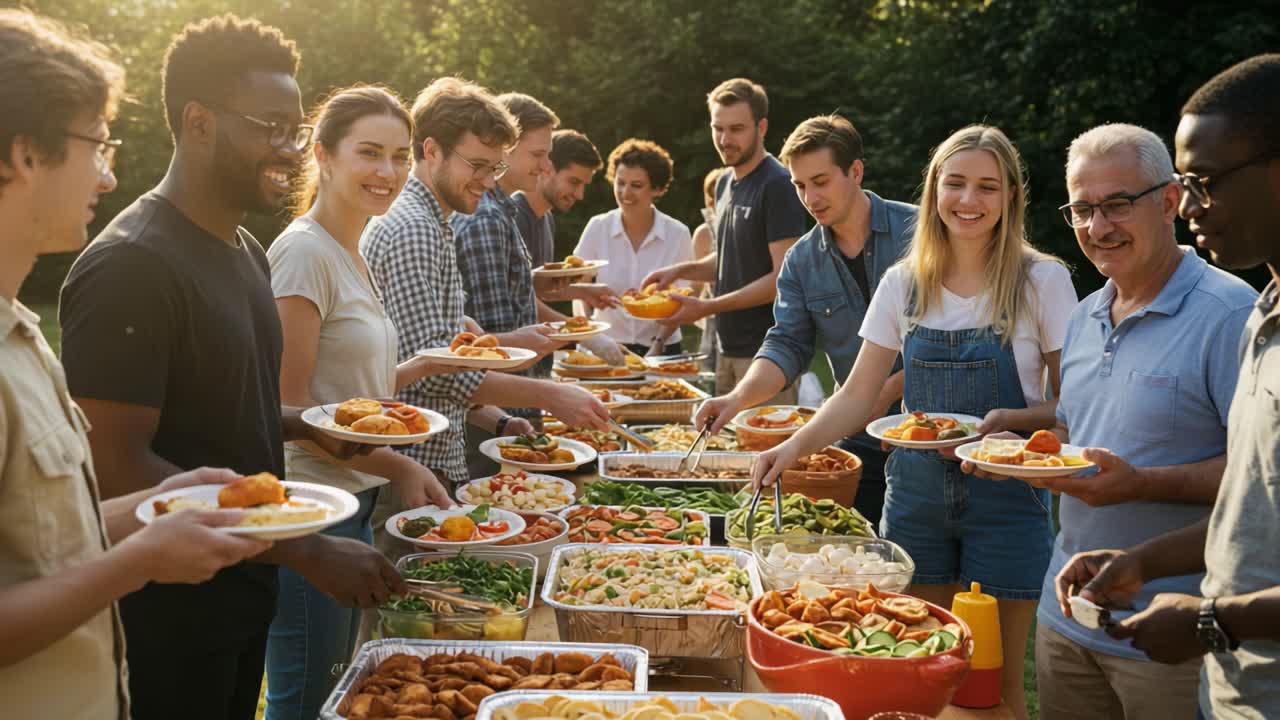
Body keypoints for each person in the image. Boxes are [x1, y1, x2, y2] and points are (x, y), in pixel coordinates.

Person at [58, 16, 408, 719]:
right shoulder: (132, 265)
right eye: (269, 127)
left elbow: (229, 406)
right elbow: (120, 468)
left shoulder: (245, 247)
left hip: (240, 601)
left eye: (294, 129)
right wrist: (303, 547)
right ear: (198, 122)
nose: (289, 149)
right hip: (164, 627)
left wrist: (312, 427)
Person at [754, 125, 1077, 720]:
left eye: (987, 187)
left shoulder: (1042, 280)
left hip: (1007, 506)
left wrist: (1013, 423)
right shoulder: (903, 282)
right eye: (954, 184)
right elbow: (857, 396)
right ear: (934, 192)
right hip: (917, 504)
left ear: (1010, 196)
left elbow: (1074, 403)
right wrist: (791, 448)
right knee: (918, 682)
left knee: (994, 689)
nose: (968, 201)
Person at [0, 11, 271, 719]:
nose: (109, 172)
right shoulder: (128, 265)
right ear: (25, 154)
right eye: (96, 144)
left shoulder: (20, 335)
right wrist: (141, 558)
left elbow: (49, 538)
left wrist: (178, 504)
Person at [957, 123, 1259, 720]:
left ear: (1170, 200)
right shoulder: (1085, 315)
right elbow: (1077, 437)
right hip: (1066, 614)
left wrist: (1140, 483)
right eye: (1082, 210)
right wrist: (1017, 454)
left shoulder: (1232, 315)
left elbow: (1261, 479)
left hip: (1174, 629)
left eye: (1118, 204)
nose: (1098, 228)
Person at [1055, 55, 1280, 719]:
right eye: (1083, 209)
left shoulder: (1228, 309)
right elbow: (1253, 506)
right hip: (1230, 688)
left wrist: (1213, 621)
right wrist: (1141, 561)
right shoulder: (1265, 316)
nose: (1192, 206)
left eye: (1205, 182)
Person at [263, 84, 457, 720]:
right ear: (322, 155)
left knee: (342, 692)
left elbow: (343, 394)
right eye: (369, 153)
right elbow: (292, 413)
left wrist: (417, 370)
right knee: (305, 697)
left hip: (352, 499)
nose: (389, 172)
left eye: (400, 156)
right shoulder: (303, 253)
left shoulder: (351, 246)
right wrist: (401, 463)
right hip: (310, 515)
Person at [361, 76, 610, 490]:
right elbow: (431, 373)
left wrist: (499, 419)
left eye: (494, 167)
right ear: (431, 151)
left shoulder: (434, 222)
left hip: (432, 459)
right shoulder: (414, 228)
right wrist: (550, 396)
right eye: (476, 165)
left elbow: (440, 359)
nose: (490, 181)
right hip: (412, 467)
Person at [694, 114, 914, 526]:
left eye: (820, 181)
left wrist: (887, 389)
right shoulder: (800, 259)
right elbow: (786, 346)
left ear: (856, 171)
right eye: (799, 185)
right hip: (857, 439)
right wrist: (736, 399)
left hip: (934, 437)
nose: (810, 197)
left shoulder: (919, 233)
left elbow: (953, 336)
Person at [643, 78, 807, 398]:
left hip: (768, 354)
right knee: (726, 446)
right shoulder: (724, 184)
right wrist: (681, 271)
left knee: (766, 446)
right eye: (718, 128)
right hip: (727, 349)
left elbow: (781, 279)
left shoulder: (778, 185)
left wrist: (706, 308)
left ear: (761, 127)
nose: (724, 139)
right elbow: (732, 258)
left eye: (736, 129)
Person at [572, 138, 694, 356]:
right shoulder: (597, 227)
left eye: (636, 185)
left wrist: (658, 344)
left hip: (663, 347)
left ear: (656, 189)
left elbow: (681, 300)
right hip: (606, 347)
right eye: (620, 183)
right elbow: (578, 289)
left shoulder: (678, 234)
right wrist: (589, 334)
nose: (625, 193)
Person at [513, 128, 602, 269]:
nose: (580, 195)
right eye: (574, 182)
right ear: (547, 168)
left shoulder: (548, 220)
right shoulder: (512, 217)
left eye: (584, 185)